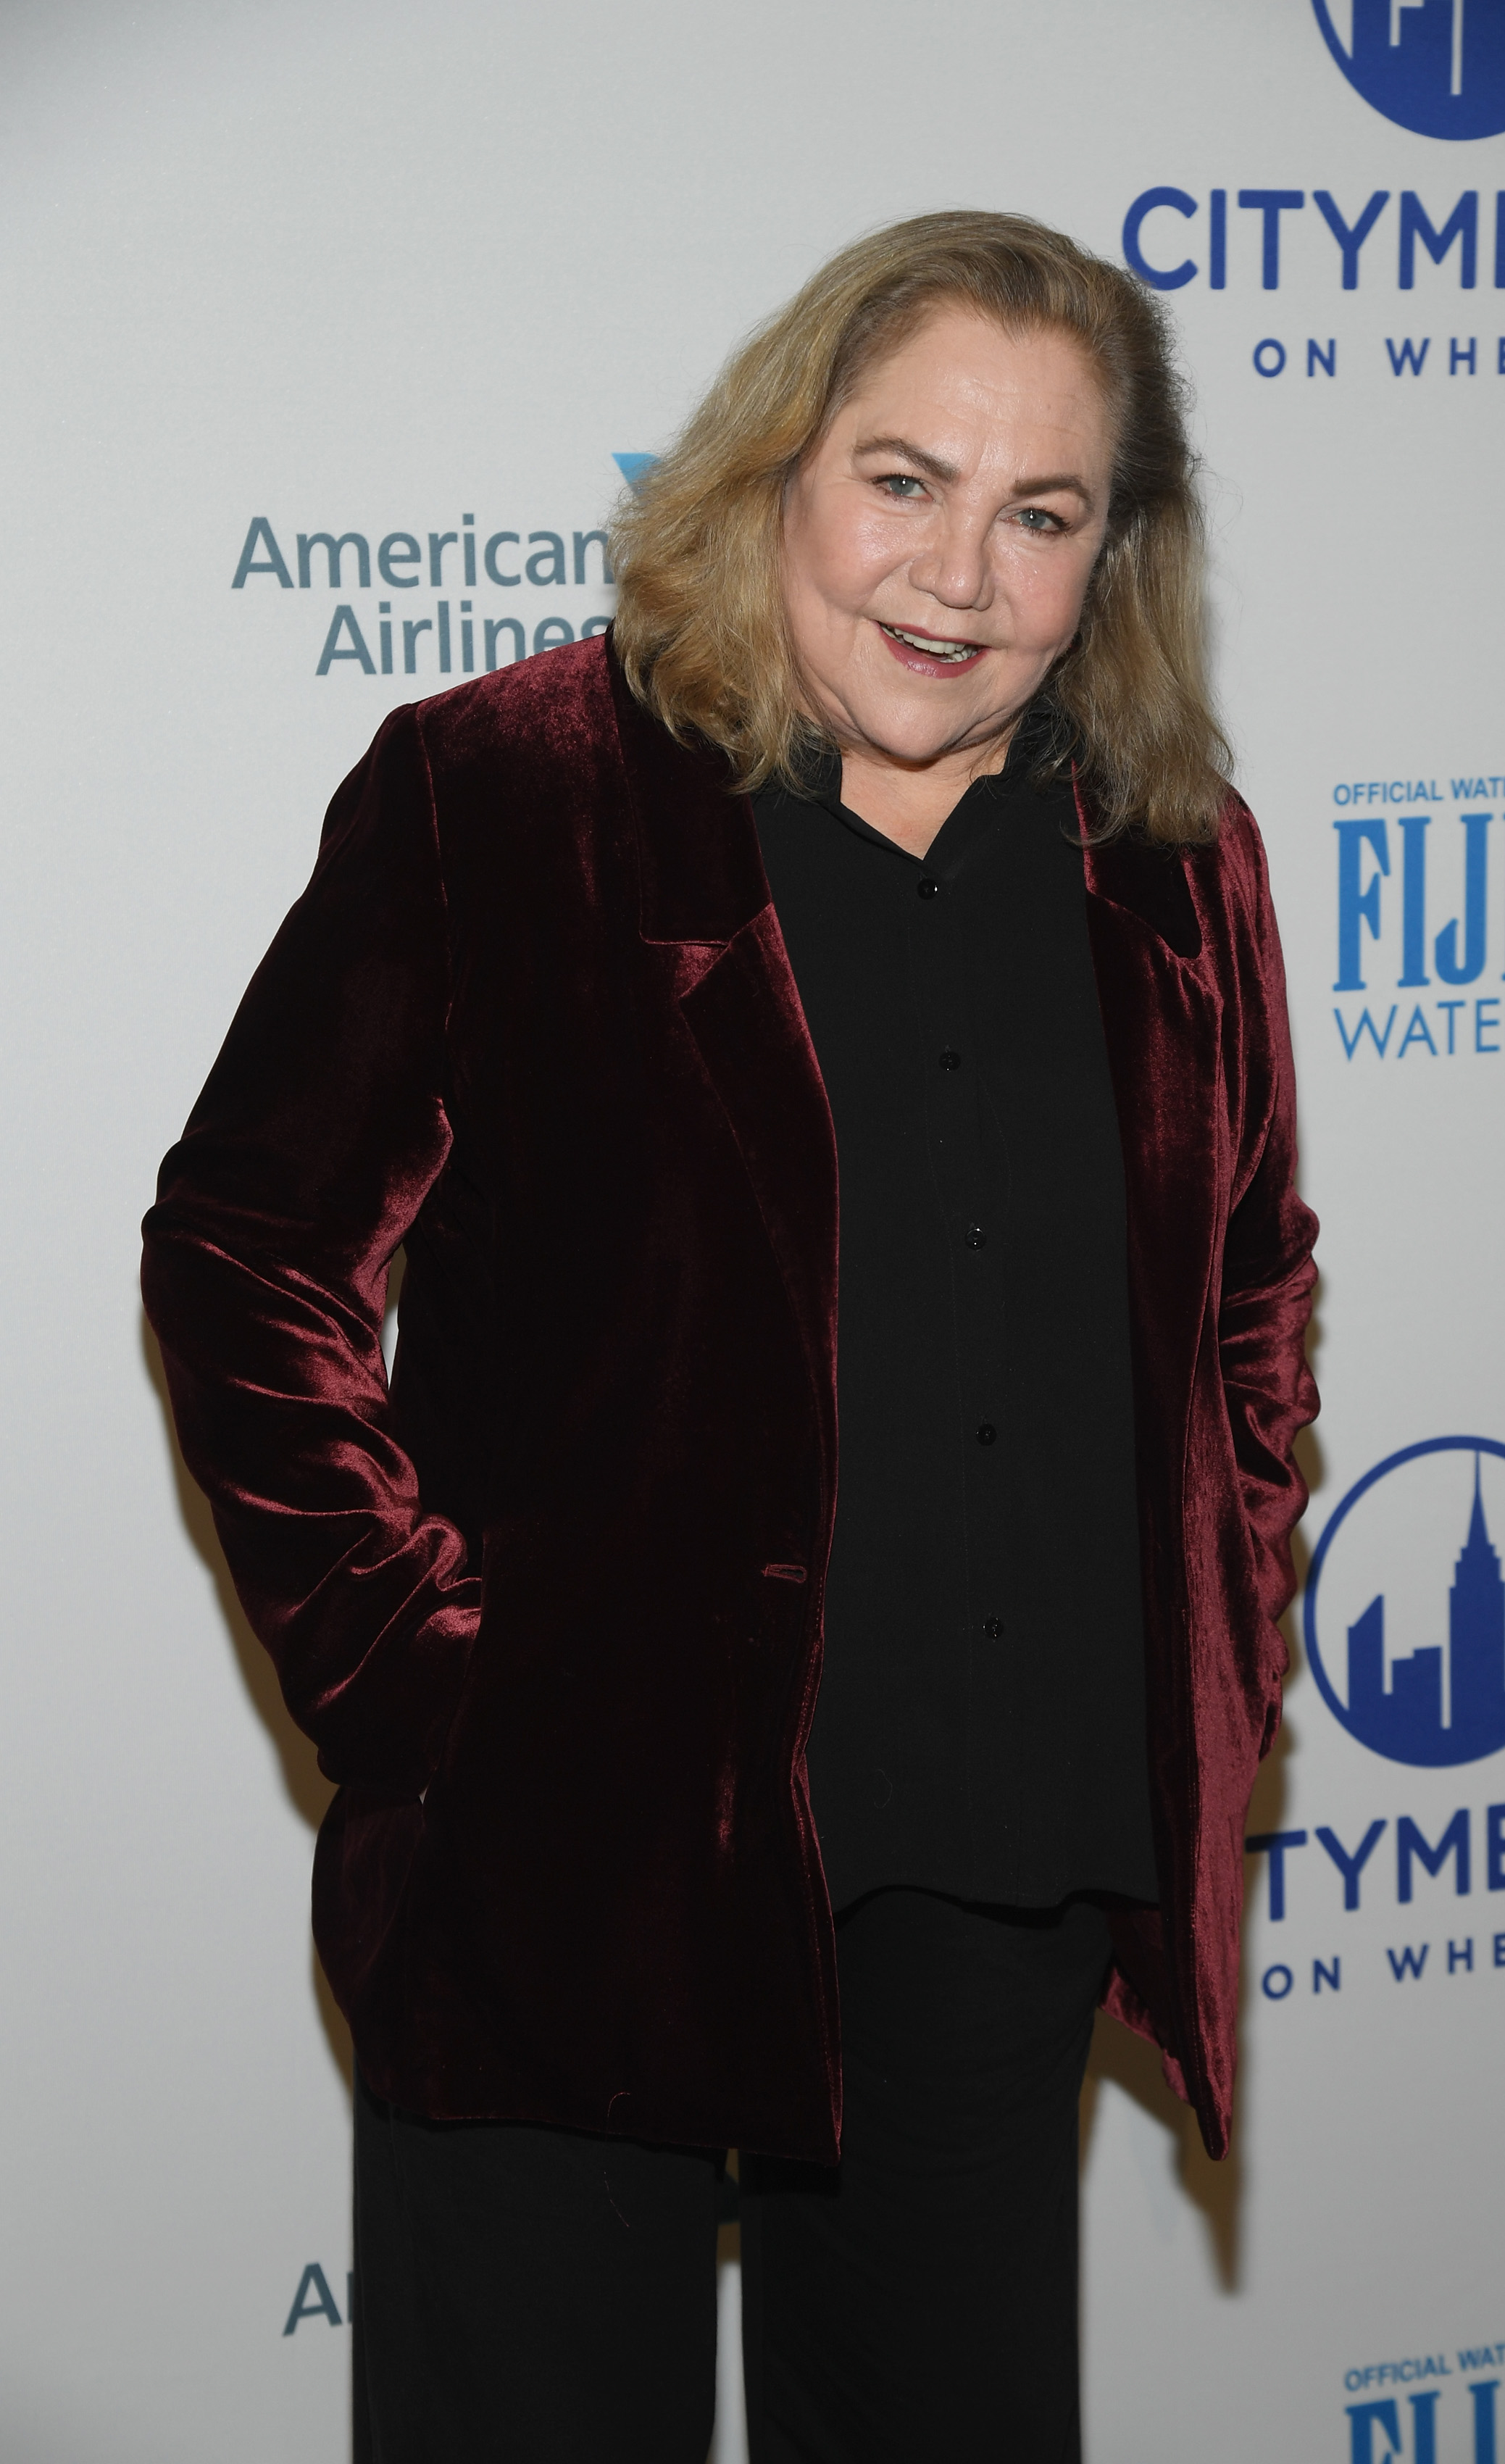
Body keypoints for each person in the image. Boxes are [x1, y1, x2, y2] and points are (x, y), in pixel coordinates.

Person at [143, 210, 1317, 2463]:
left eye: (1039, 513)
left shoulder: (1176, 856)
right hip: (578, 1868)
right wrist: (428, 1682)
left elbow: (1249, 1278)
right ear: (778, 466)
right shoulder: (506, 792)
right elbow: (244, 1253)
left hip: (988, 1881)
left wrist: (1216, 1622)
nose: (959, 576)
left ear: (1111, 555)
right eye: (904, 479)